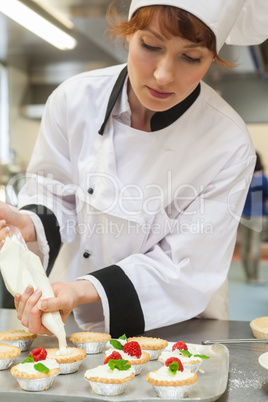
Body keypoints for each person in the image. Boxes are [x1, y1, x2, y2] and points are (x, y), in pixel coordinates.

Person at [0, 0, 267, 338]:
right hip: (67, 317)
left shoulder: (228, 142)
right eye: (150, 46)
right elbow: (55, 192)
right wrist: (29, 223)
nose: (163, 75)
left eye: (191, 57)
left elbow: (184, 267)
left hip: (177, 328)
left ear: (213, 58)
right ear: (129, 33)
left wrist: (83, 290)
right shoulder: (74, 99)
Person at [240, 152, 268, 284]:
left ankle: (248, 276)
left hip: (244, 216)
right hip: (259, 216)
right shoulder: (262, 179)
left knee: (244, 247)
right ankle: (255, 277)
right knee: (255, 246)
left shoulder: (244, 178)